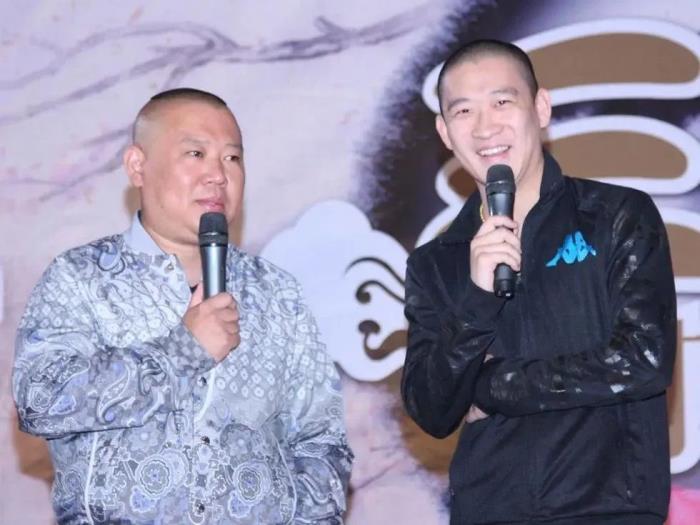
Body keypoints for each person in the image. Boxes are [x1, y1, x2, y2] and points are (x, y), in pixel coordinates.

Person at [13, 88, 353, 524]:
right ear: (137, 166)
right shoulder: (80, 278)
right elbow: (40, 400)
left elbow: (322, 439)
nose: (218, 175)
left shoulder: (277, 292)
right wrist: (183, 351)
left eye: (232, 158)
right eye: (196, 153)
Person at [401, 40, 676, 525]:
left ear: (541, 108)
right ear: (445, 132)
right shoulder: (435, 263)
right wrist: (476, 299)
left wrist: (494, 385)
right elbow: (430, 408)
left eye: (502, 102)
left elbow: (642, 360)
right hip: (489, 512)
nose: (485, 127)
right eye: (463, 111)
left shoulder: (615, 216)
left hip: (607, 509)